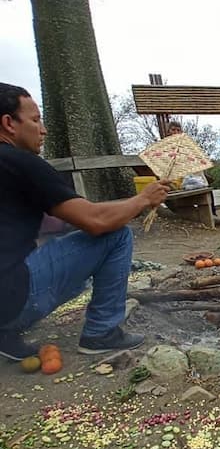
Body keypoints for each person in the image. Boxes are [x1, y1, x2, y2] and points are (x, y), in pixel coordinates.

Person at [0, 83, 171, 360]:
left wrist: (120, 206)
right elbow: (95, 222)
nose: (43, 129)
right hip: (11, 299)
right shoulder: (20, 163)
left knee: (68, 242)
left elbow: (65, 219)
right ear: (8, 123)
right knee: (117, 236)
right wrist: (143, 200)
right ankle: (101, 332)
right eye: (34, 120)